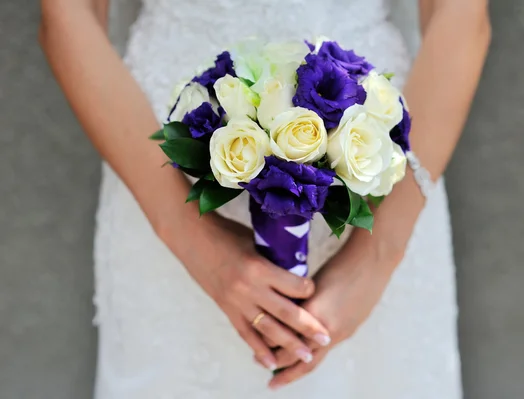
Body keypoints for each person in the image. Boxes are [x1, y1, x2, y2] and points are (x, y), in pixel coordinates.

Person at [39, 0, 490, 397]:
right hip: (162, 165)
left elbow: (460, 11)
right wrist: (189, 236)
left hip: (379, 171)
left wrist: (378, 254)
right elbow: (68, 11)